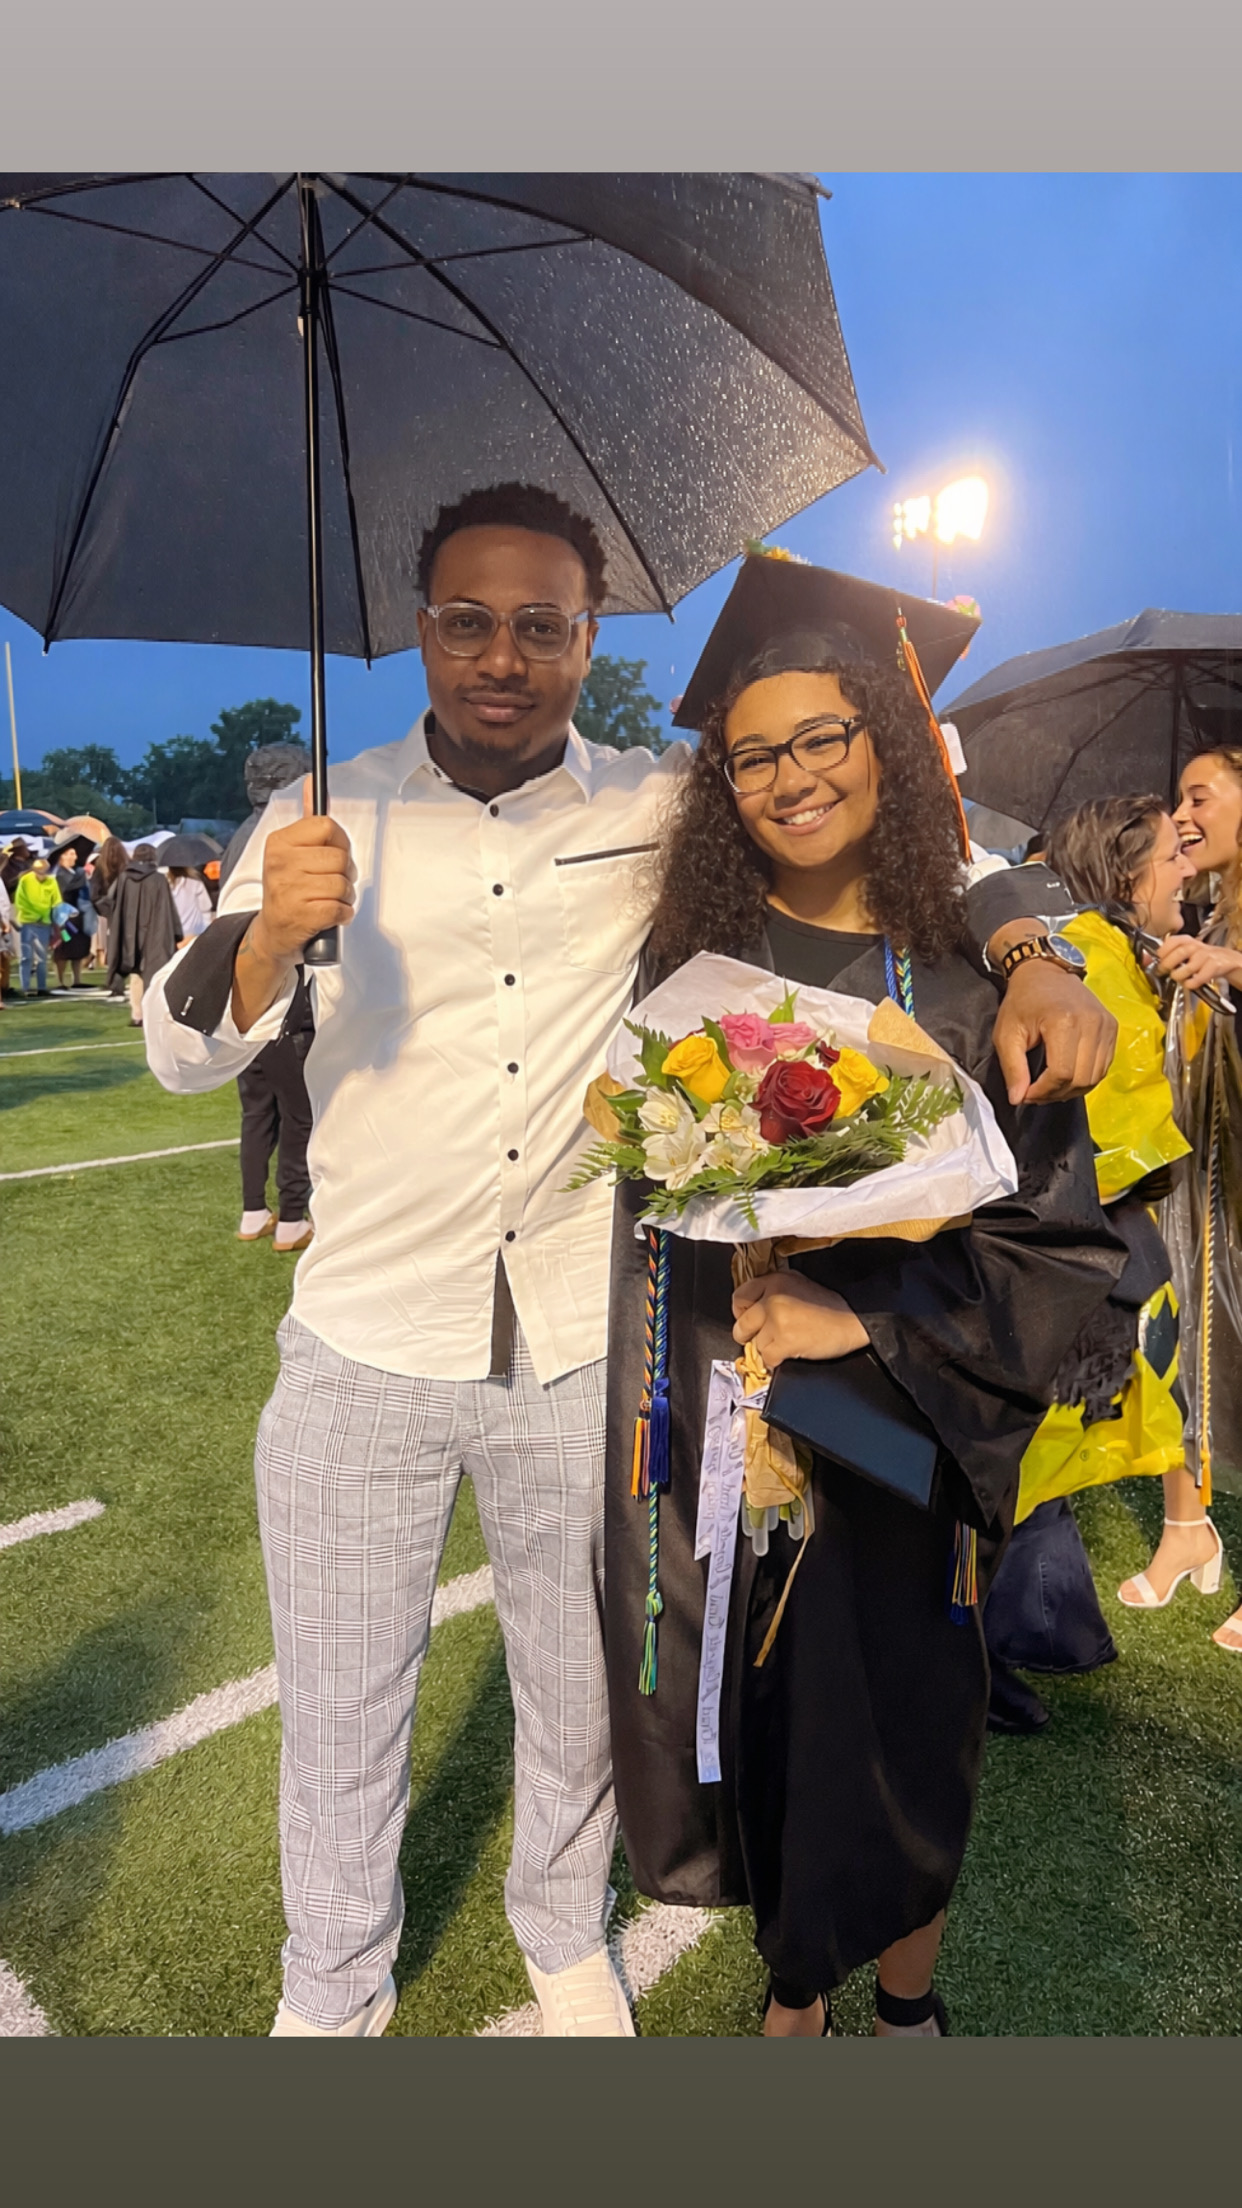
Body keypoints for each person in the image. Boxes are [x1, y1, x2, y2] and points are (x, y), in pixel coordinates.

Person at [142, 488, 1114, 2040]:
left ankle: (556, 1924)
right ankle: (329, 1989)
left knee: (583, 1692)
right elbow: (180, 1047)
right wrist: (265, 942)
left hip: (580, 1345)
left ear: (588, 640)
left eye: (543, 624)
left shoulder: (664, 802)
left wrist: (1028, 942)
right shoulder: (322, 810)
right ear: (421, 629)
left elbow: (920, 817)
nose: (503, 656)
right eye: (469, 620)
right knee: (339, 1704)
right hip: (363, 1341)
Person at [603, 555, 1132, 2039]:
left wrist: (868, 1322)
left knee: (900, 1728)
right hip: (719, 1420)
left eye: (823, 738)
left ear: (883, 750)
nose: (789, 777)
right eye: (755, 753)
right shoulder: (683, 970)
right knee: (756, 1729)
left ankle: (899, 2008)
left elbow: (1057, 1246)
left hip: (900, 1441)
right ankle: (799, 1994)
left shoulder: (967, 984)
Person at [984, 797, 1201, 1727]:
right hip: (1080, 1238)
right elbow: (1104, 1129)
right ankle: (981, 1640)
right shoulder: (1090, 957)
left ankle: (1046, 1621)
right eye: (1170, 854)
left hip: (1092, 1234)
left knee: (1056, 1436)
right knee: (1035, 1436)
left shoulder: (1115, 952)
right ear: (1124, 874)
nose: (1185, 871)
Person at [219, 743, 317, 1253]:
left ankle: (254, 1210)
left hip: (241, 998)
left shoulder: (238, 836)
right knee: (299, 1109)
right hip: (283, 995)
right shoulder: (286, 835)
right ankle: (293, 1216)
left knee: (257, 1109)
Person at [108, 842, 178, 1025]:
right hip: (156, 932)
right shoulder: (158, 880)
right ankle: (152, 1013)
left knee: (135, 973)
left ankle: (137, 1014)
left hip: (130, 932)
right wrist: (176, 933)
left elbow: (111, 901)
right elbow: (167, 910)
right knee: (155, 973)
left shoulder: (125, 878)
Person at [13, 853, 60, 997]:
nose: (41, 875)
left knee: (42, 958)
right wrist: (36, 915)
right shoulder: (25, 881)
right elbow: (20, 902)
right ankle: (25, 988)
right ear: (33, 870)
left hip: (44, 924)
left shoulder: (52, 882)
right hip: (28, 923)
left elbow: (56, 901)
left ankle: (41, 987)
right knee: (26, 957)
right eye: (39, 872)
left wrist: (56, 919)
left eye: (44, 872)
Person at [51, 838, 93, 988]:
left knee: (79, 948)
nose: (74, 857)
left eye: (75, 854)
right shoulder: (59, 875)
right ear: (62, 856)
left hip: (79, 915)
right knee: (63, 949)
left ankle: (77, 980)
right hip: (63, 917)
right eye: (70, 854)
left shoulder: (77, 872)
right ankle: (60, 981)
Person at [90, 836, 129, 990]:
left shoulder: (100, 869)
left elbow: (94, 895)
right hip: (127, 911)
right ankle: (120, 979)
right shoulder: (126, 867)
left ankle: (113, 980)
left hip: (112, 912)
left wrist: (107, 910)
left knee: (113, 948)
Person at [168, 866, 213, 944]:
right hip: (195, 935)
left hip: (174, 937)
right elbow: (206, 908)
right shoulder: (195, 882)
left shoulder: (164, 884)